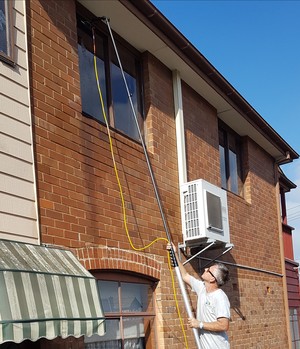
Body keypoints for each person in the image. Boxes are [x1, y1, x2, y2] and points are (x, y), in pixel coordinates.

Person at [167, 242, 230, 349]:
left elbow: (224, 325)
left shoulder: (220, 298)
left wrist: (199, 324)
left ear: (212, 279)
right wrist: (175, 253)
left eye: (208, 270)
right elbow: (185, 275)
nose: (205, 269)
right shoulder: (202, 288)